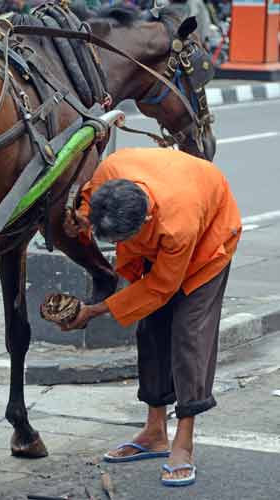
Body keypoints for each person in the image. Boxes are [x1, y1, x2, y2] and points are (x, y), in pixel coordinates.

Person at [61, 147, 241, 487]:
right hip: (167, 207)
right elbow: (87, 205)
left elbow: (161, 288)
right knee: (150, 329)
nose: (115, 247)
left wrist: (96, 311)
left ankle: (183, 443)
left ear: (143, 222)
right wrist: (81, 222)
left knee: (189, 334)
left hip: (208, 240)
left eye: (119, 242)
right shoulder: (109, 173)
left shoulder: (179, 224)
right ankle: (154, 432)